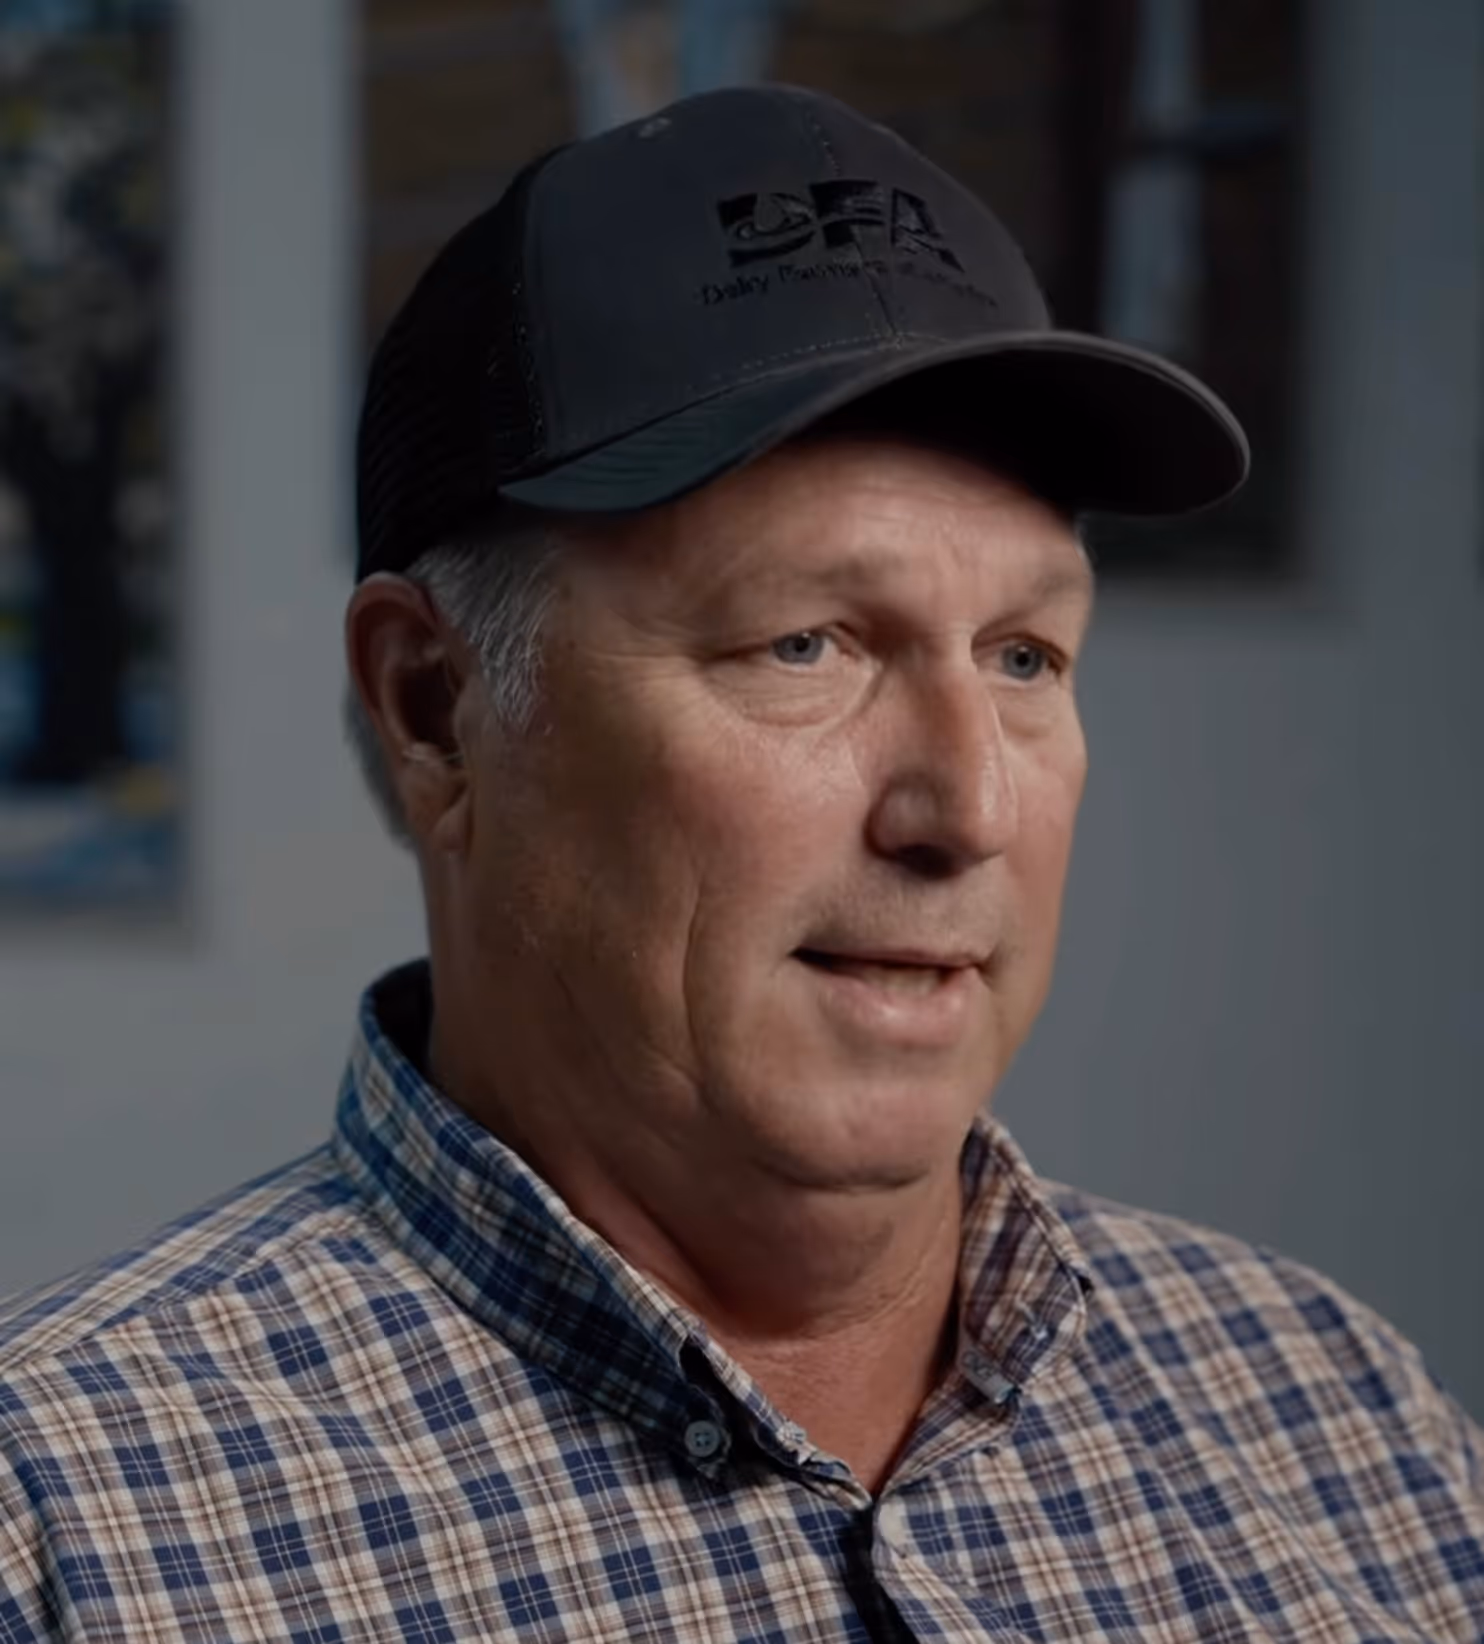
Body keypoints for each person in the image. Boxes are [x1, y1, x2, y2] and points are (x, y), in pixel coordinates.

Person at [1, 84, 1479, 1643]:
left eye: (1027, 657)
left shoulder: (1347, 1426)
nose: (966, 808)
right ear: (436, 713)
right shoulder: (65, 1532)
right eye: (805, 644)